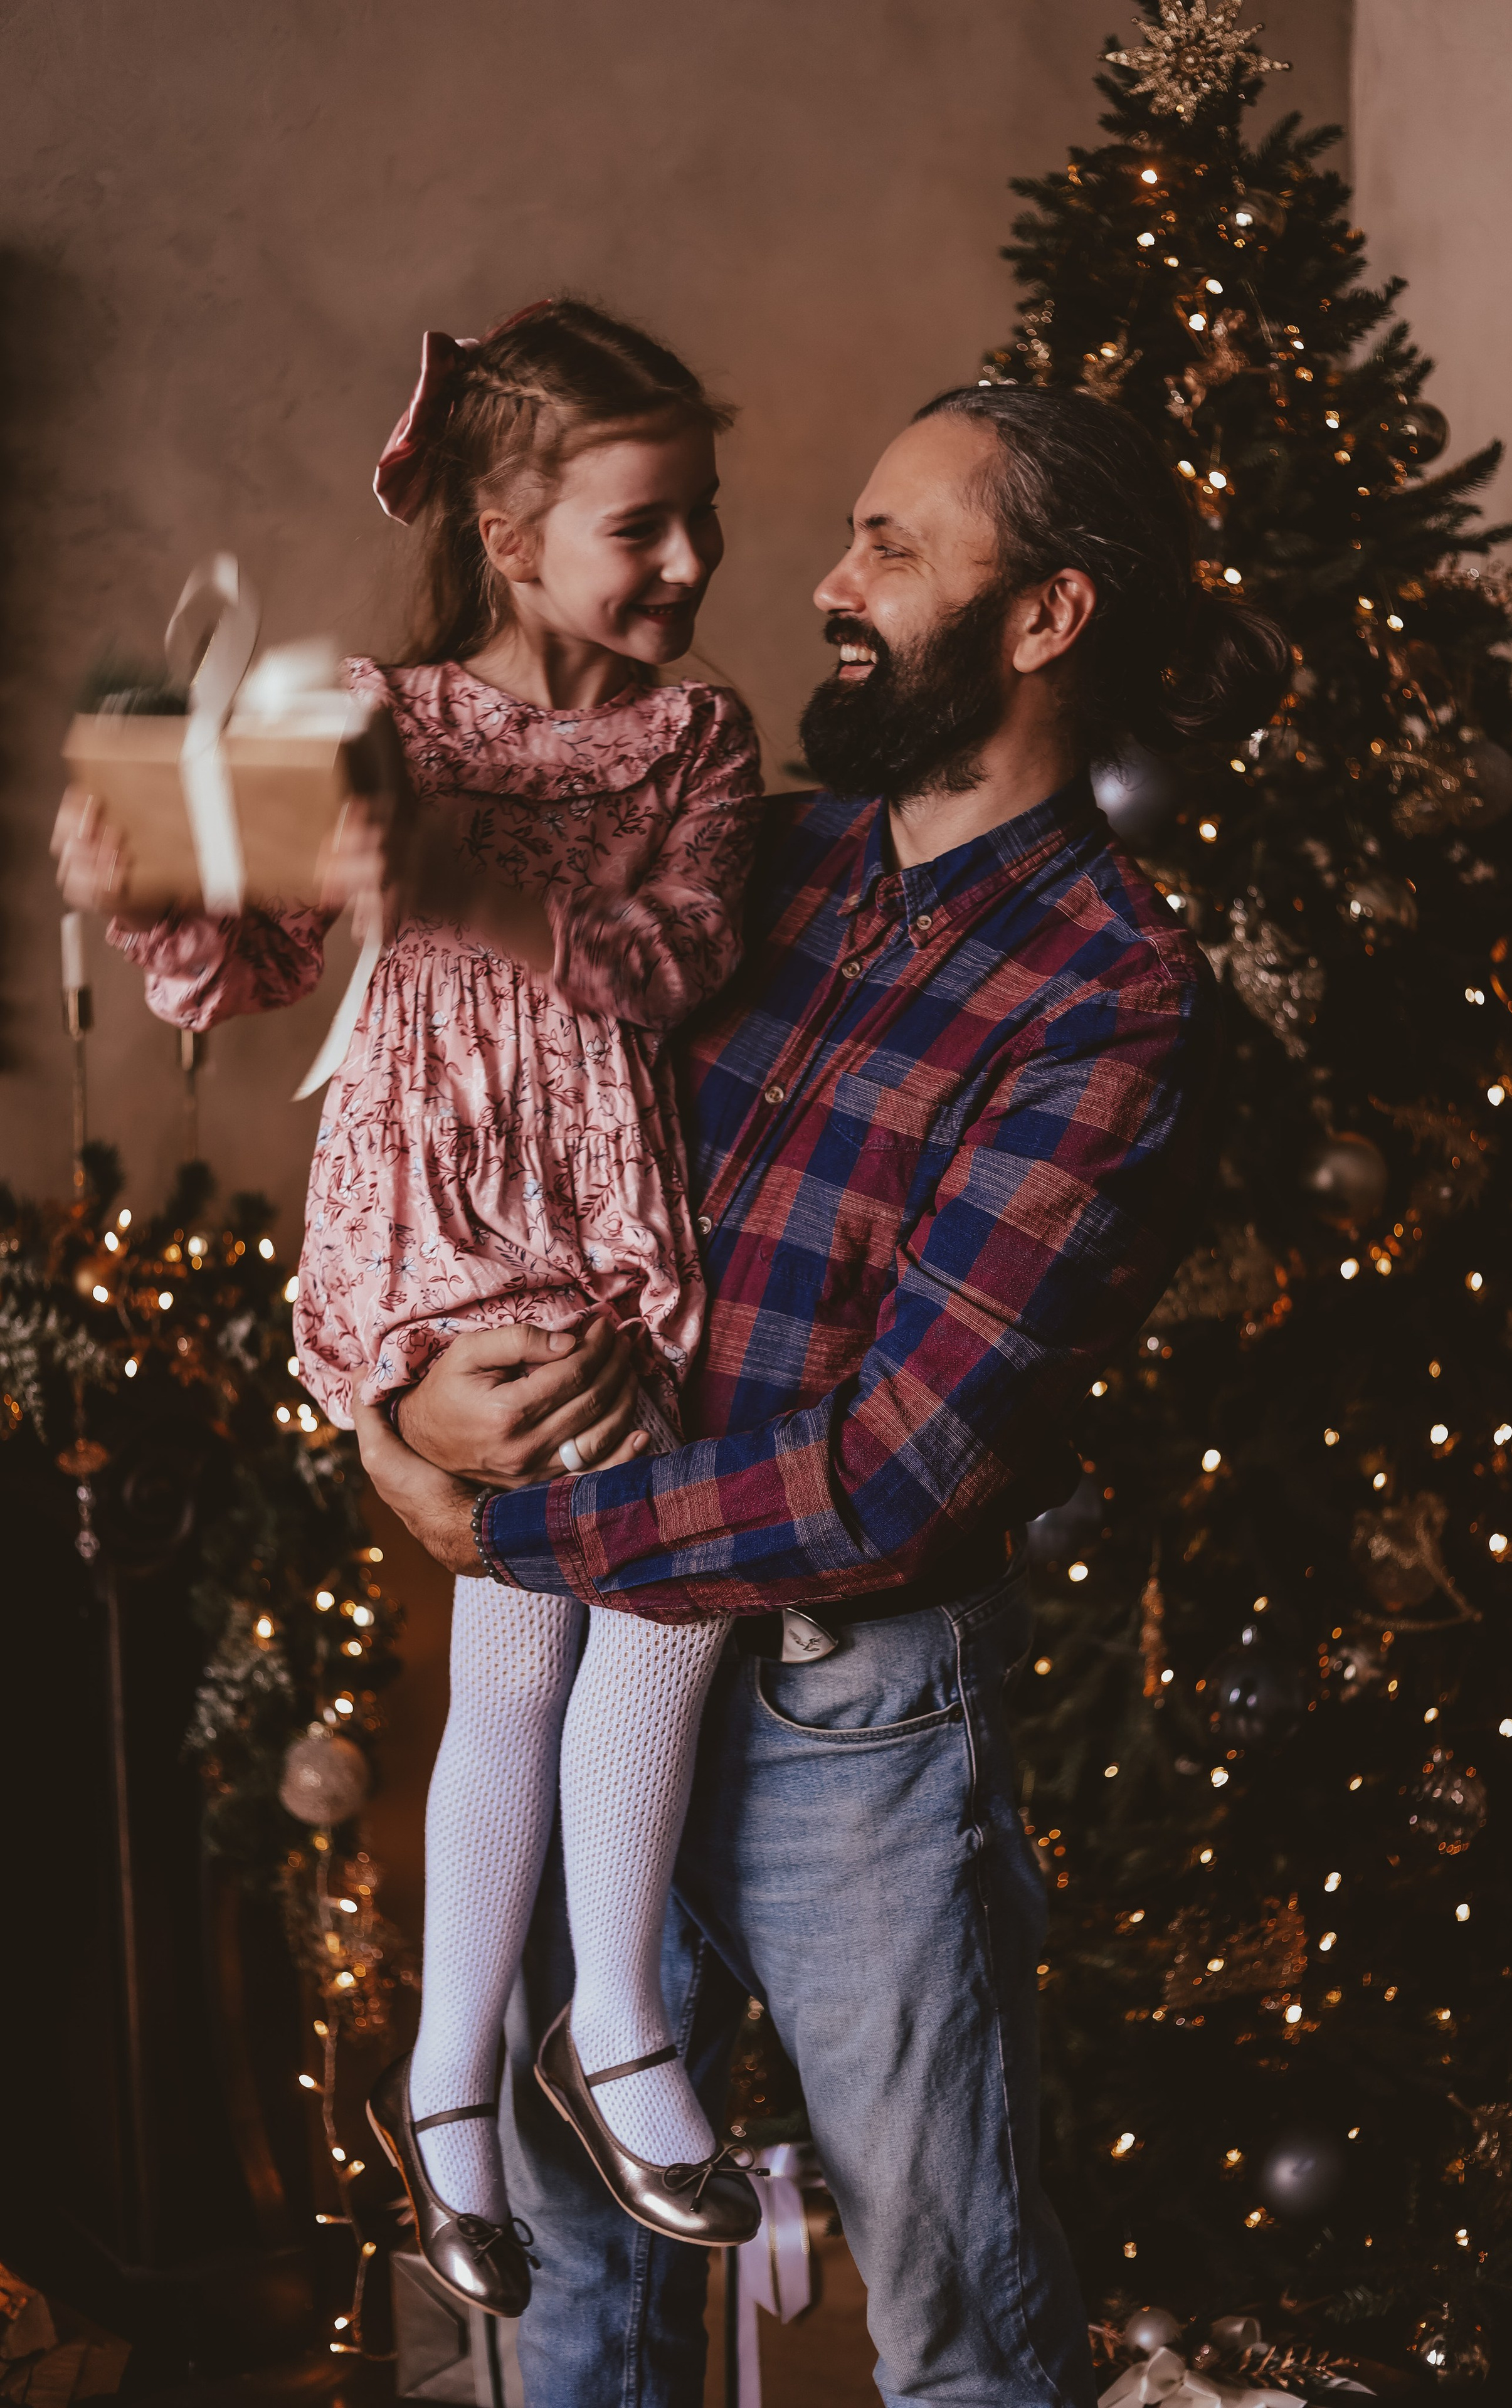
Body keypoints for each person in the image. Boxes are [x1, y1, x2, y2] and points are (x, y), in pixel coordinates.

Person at [359, 380, 1290, 2405]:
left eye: (891, 548)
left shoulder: (1107, 994)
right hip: (569, 1650)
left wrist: (499, 1517)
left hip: (833, 1713)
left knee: (951, 2300)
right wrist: (400, 1412)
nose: (820, 585)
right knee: (554, 2285)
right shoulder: (742, 865)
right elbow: (465, 1134)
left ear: (1044, 619)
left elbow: (894, 1471)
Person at [52, 298, 773, 2320]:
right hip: (446, 1219)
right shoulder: (371, 711)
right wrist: (155, 886)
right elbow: (242, 969)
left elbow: (683, 952)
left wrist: (460, 893)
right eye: (646, 527)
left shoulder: (692, 737)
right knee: (616, 1609)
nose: (696, 565)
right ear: (504, 525)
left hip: (603, 1207)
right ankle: (600, 2030)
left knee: (578, 1637)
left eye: (703, 517)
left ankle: (460, 2074)